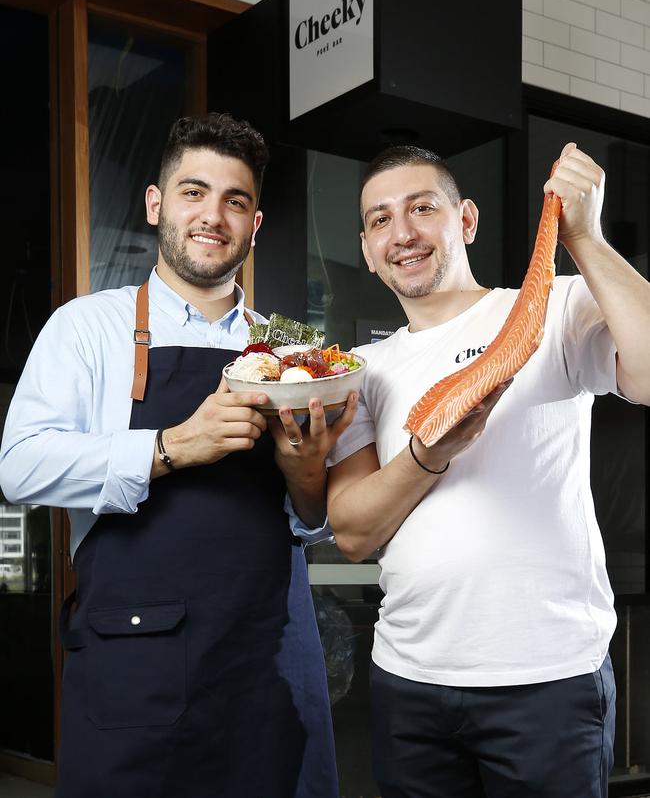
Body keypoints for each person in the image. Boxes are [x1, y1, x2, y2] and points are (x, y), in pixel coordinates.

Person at [0, 112, 357, 798]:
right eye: (194, 192)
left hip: (273, 660)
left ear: (256, 224)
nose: (213, 216)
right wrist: (170, 446)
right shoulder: (89, 325)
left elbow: (315, 519)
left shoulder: (293, 347)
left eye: (236, 200)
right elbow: (19, 466)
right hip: (138, 668)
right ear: (155, 204)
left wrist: (307, 476)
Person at [324, 142, 650, 798]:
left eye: (423, 207)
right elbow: (353, 532)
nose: (404, 232)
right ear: (366, 248)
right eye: (381, 219)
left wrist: (582, 232)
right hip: (409, 679)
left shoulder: (556, 307)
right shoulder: (361, 368)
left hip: (548, 682)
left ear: (465, 219)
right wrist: (427, 457)